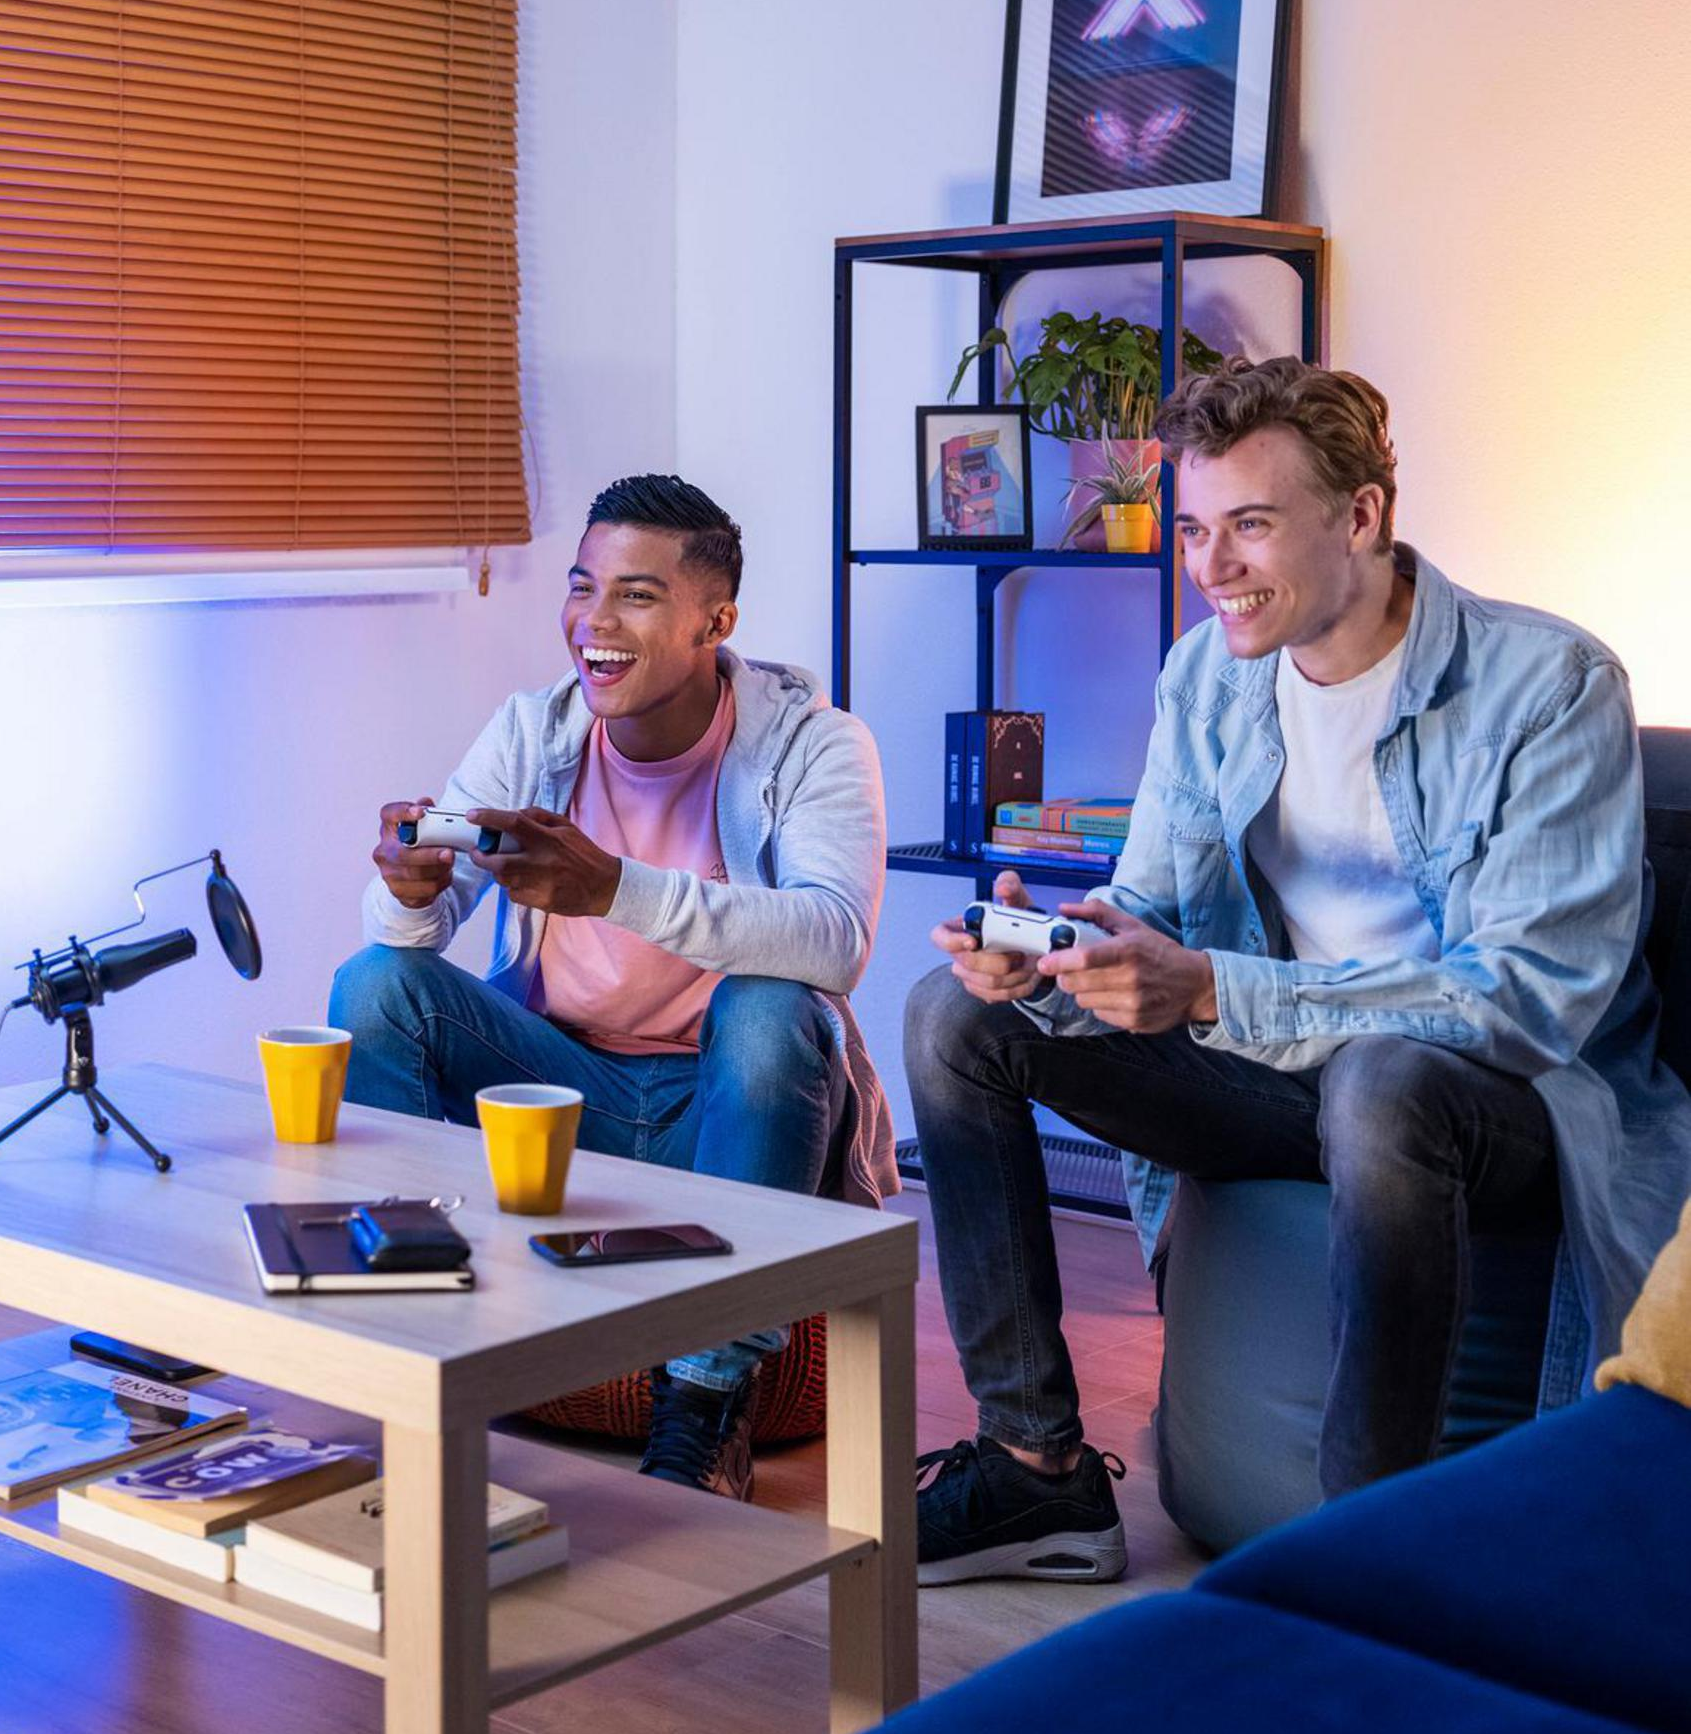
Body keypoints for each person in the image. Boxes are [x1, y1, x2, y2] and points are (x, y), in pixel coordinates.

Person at [905, 356, 1691, 1585]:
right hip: (1279, 1073)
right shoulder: (1206, 676)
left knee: (1379, 1080)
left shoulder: (1550, 684)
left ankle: (1362, 1553)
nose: (1210, 568)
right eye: (1192, 531)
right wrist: (1062, 946)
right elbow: (1155, 901)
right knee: (952, 1017)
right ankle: (1035, 1471)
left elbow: (1526, 1000)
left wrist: (1215, 991)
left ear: (1361, 516)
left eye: (1250, 527)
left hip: (1500, 1106)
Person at [330, 474, 896, 1501]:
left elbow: (836, 941)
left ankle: (702, 1402)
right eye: (581, 586)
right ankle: (409, 1345)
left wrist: (614, 890)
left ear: (712, 622)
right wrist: (409, 890)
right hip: (558, 1101)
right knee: (374, 982)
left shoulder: (814, 742)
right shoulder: (531, 729)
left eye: (634, 595)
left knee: (771, 1006)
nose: (592, 622)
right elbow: (406, 937)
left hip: (725, 1116)